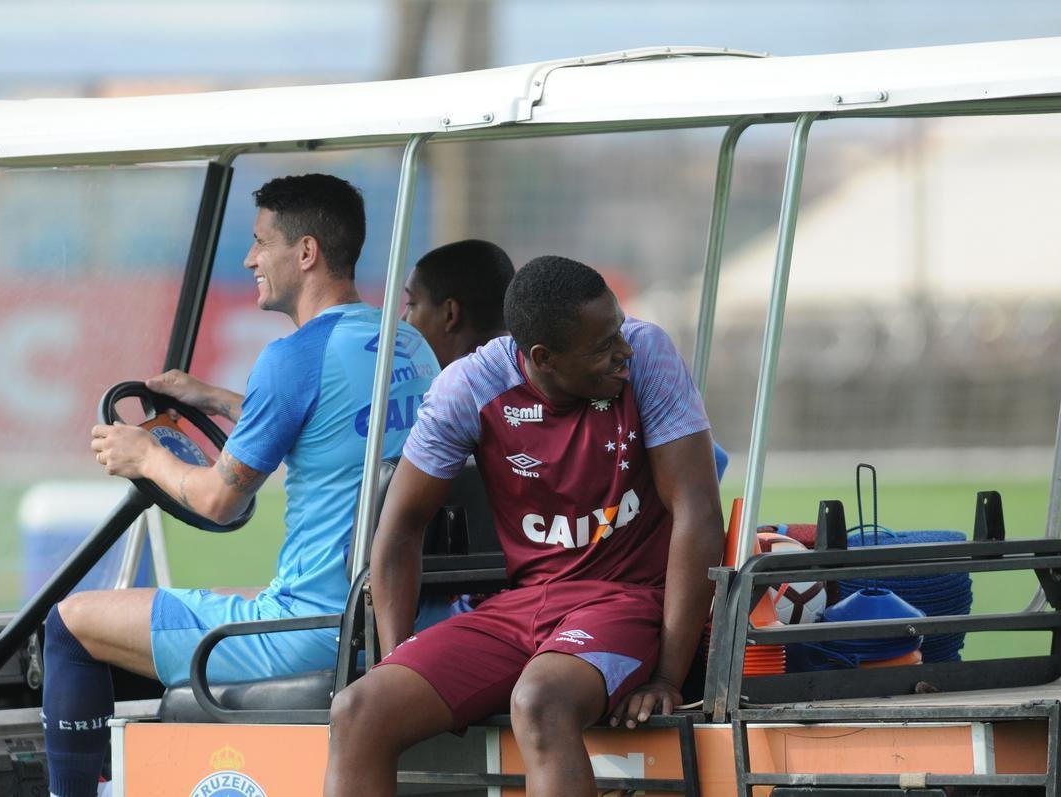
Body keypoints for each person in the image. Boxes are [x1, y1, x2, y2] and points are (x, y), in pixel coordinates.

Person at [42, 173, 440, 797]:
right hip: (398, 617)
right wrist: (220, 400)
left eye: (261, 243)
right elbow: (333, 430)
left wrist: (144, 454)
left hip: (309, 631)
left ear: (305, 253)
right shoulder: (408, 344)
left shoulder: (293, 358)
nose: (250, 259)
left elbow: (218, 501)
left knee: (70, 624)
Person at [325, 256, 725, 797]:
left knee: (539, 700)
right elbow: (398, 528)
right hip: (523, 607)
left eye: (618, 329)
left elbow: (697, 512)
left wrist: (667, 679)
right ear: (543, 358)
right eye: (604, 345)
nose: (623, 349)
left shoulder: (647, 354)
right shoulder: (468, 386)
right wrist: (395, 657)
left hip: (625, 601)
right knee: (359, 708)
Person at [402, 238, 514, 367]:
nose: (403, 320)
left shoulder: (451, 385)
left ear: (450, 314)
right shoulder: (533, 376)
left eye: (411, 304)